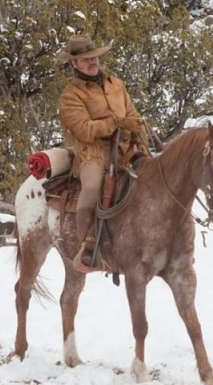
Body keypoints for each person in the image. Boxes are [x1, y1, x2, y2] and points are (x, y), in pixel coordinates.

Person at [57, 35, 149, 272]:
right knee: (92, 185)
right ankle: (88, 245)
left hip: (126, 147)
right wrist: (116, 122)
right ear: (74, 63)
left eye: (94, 57)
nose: (92, 62)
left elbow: (132, 114)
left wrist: (137, 129)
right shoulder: (70, 95)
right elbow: (84, 130)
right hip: (94, 151)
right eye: (85, 59)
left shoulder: (116, 83)